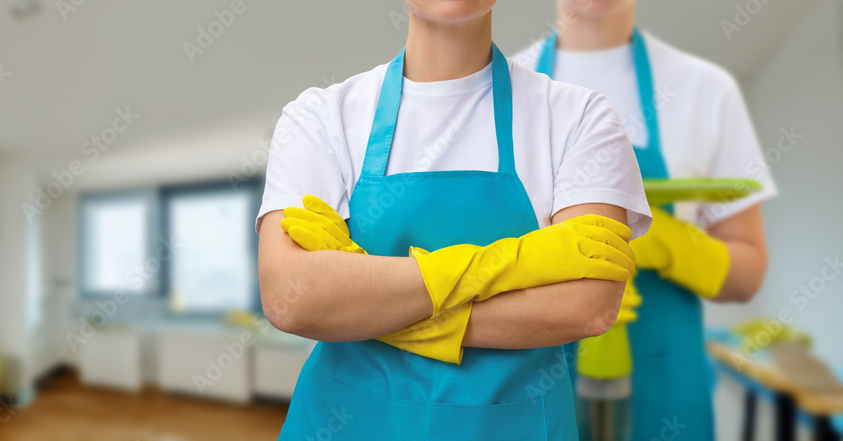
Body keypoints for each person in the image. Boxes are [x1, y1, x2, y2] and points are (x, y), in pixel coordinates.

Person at [255, 1, 652, 439]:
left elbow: (586, 306)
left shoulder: (580, 118)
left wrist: (362, 300)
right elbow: (291, 299)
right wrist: (512, 263)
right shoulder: (320, 118)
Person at [512, 1, 777, 440]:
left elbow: (748, 274)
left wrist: (673, 245)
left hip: (669, 390)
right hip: (532, 385)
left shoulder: (705, 90)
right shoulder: (500, 88)